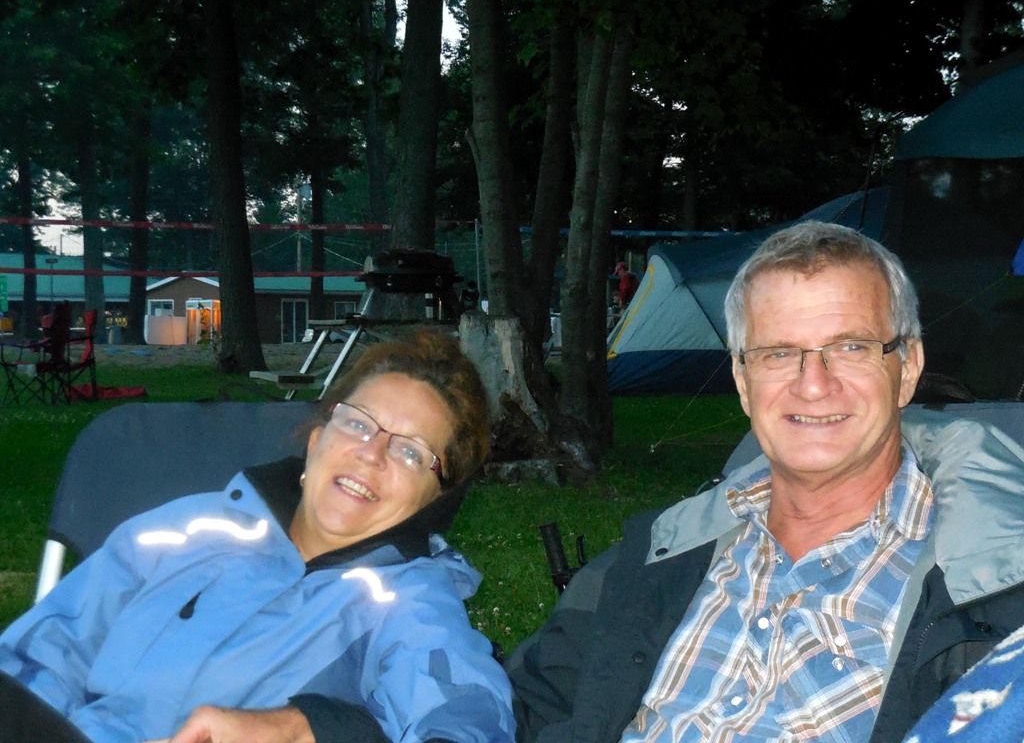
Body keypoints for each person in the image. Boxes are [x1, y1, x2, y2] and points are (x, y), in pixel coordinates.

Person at [505, 221, 1024, 742]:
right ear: (742, 381)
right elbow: (524, 705)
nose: (813, 384)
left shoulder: (993, 597)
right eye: (778, 353)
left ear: (907, 368)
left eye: (850, 347)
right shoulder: (659, 553)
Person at [0, 329, 515, 743]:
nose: (372, 454)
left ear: (431, 500)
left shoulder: (408, 604)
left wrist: (314, 727)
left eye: (410, 451)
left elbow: (466, 719)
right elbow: (43, 652)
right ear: (316, 442)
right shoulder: (187, 529)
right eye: (358, 425)